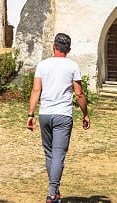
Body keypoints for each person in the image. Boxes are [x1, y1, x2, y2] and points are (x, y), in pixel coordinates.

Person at [27, 33, 91, 203]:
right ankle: (52, 193)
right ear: (68, 50)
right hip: (63, 115)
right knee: (59, 155)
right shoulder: (72, 66)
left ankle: (55, 191)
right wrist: (85, 114)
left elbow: (36, 90)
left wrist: (30, 114)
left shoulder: (42, 65)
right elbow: (79, 93)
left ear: (53, 47)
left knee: (49, 154)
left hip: (45, 114)